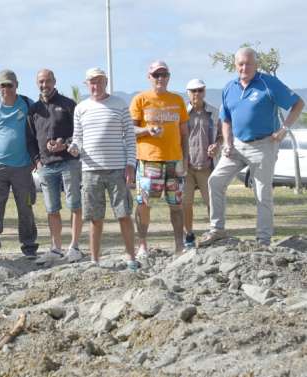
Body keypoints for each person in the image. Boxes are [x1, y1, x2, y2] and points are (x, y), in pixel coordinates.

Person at [199, 47, 305, 247]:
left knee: (262, 192)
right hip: (237, 145)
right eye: (240, 64)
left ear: (256, 65)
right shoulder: (229, 88)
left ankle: (263, 240)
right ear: (235, 65)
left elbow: (298, 103)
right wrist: (228, 143)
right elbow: (226, 119)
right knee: (215, 181)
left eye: (248, 63)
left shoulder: (268, 83)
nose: (244, 67)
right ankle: (217, 229)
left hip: (263, 145)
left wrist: (283, 129)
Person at [68, 68, 137, 270]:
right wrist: (73, 148)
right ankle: (95, 261)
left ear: (105, 82)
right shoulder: (81, 108)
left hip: (117, 169)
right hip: (90, 171)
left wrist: (131, 164)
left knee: (124, 215)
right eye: (91, 82)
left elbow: (130, 138)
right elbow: (78, 138)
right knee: (95, 218)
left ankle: (131, 257)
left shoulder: (120, 105)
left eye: (98, 81)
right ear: (87, 84)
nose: (95, 85)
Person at [129, 60, 189, 255]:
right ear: (149, 77)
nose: (160, 79)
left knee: (176, 204)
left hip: (174, 160)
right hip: (149, 160)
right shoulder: (140, 99)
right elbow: (130, 129)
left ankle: (179, 245)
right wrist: (147, 130)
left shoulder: (178, 100)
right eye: (156, 75)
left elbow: (184, 133)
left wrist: (185, 158)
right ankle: (142, 245)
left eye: (164, 75)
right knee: (144, 203)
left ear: (169, 77)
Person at [27, 69, 83, 265]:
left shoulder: (68, 104)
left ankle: (75, 247)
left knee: (75, 205)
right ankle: (56, 249)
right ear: (37, 83)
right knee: (52, 209)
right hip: (46, 166)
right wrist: (37, 160)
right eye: (41, 82)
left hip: (69, 162)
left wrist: (64, 144)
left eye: (48, 81)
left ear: (54, 81)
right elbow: (30, 138)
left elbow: (79, 133)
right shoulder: (33, 110)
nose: (45, 85)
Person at [0, 69, 39, 259]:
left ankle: (29, 247)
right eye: (2, 85)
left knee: (26, 208)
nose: (6, 88)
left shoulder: (28, 104)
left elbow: (38, 131)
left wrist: (34, 159)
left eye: (9, 85)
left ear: (17, 85)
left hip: (23, 168)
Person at [182, 78, 222, 249]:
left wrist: (217, 145)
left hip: (207, 165)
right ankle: (188, 236)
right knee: (186, 203)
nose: (197, 94)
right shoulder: (182, 113)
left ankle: (213, 233)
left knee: (211, 202)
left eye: (200, 90)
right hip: (186, 166)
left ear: (204, 91)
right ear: (188, 93)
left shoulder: (214, 112)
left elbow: (222, 134)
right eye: (193, 91)